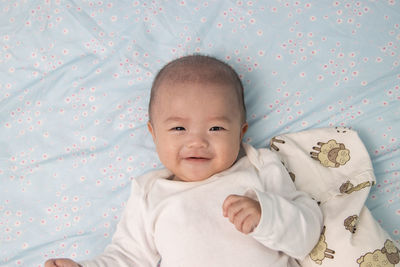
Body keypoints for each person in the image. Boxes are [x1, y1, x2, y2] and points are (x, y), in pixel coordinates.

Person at [45, 54, 323, 267]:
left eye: (216, 128)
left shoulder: (259, 167)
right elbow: (127, 256)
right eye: (179, 128)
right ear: (154, 134)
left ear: (241, 132)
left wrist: (268, 216)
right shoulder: (150, 193)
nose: (197, 142)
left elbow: (307, 234)